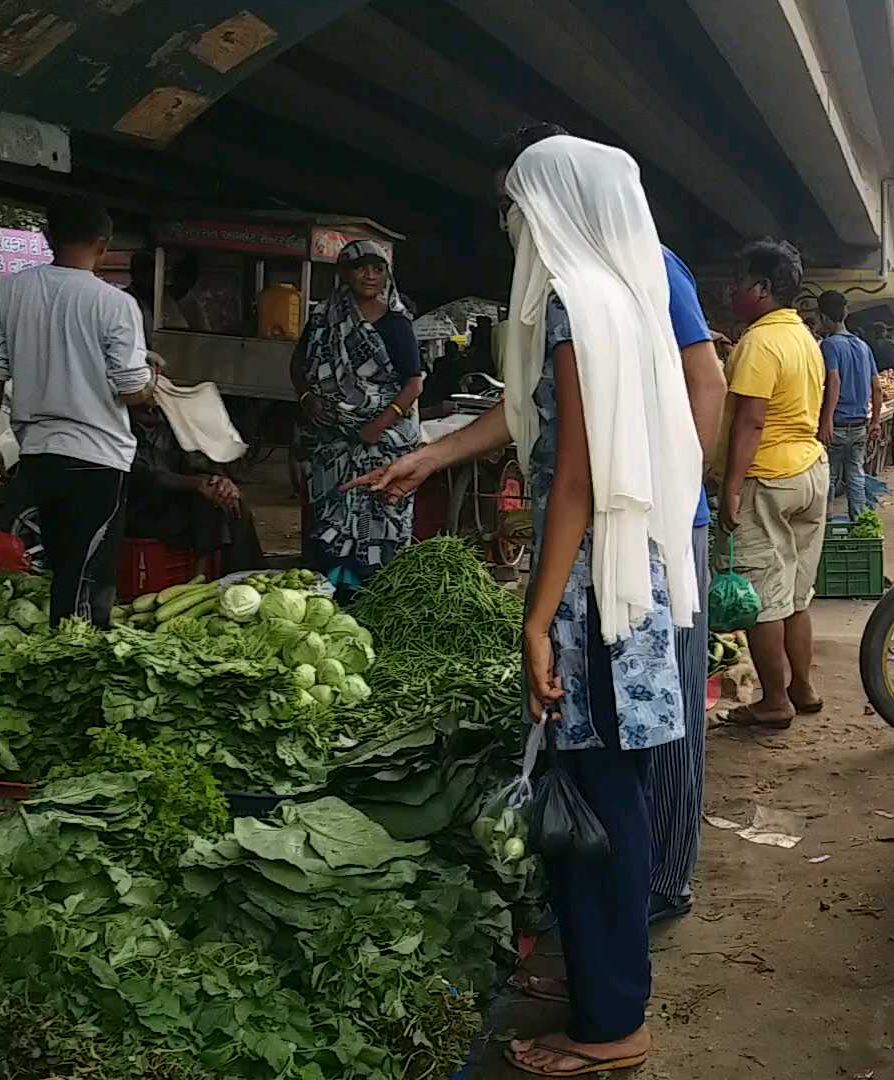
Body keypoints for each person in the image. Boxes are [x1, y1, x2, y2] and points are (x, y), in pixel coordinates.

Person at [355, 123, 727, 943]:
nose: (510, 225)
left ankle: (656, 885)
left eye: (515, 205)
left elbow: (699, 382)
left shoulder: (634, 277)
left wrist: (669, 491)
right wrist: (434, 455)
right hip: (600, 527)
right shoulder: (584, 288)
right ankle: (620, 901)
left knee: (650, 731)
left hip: (645, 530)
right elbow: (539, 415)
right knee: (625, 731)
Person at [0, 197, 154, 627]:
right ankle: (76, 658)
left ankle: (61, 653)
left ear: (47, 237)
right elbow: (132, 390)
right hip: (98, 455)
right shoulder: (114, 304)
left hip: (37, 452)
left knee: (60, 563)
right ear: (104, 245)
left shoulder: (8, 291)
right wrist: (152, 386)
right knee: (88, 574)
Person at [717, 239, 831, 730]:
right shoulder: (802, 336)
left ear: (761, 289)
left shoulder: (759, 342)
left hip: (768, 477)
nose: (731, 292)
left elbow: (750, 421)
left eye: (739, 284)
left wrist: (729, 487)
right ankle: (802, 689)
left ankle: (773, 701)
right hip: (809, 472)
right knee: (796, 597)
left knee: (763, 601)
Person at [290, 241, 423, 591]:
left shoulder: (396, 324)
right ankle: (333, 596)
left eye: (377, 269)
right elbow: (298, 364)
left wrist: (376, 427)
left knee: (380, 518)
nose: (369, 275)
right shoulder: (324, 319)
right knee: (330, 522)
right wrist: (307, 398)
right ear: (344, 273)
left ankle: (378, 597)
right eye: (360, 267)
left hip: (382, 445)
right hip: (332, 443)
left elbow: (413, 385)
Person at [127, 399, 263, 574]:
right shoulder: (119, 426)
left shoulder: (169, 423)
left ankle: (242, 575)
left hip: (175, 501)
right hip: (138, 507)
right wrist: (197, 484)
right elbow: (146, 475)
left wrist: (218, 482)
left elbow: (195, 463)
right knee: (204, 501)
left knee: (229, 500)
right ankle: (201, 576)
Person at [816, 290, 881, 521]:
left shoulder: (830, 345)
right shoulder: (863, 346)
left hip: (838, 424)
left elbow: (833, 380)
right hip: (860, 424)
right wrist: (875, 422)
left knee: (829, 477)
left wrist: (826, 420)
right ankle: (860, 523)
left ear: (823, 317)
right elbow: (877, 387)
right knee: (856, 475)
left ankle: (823, 528)